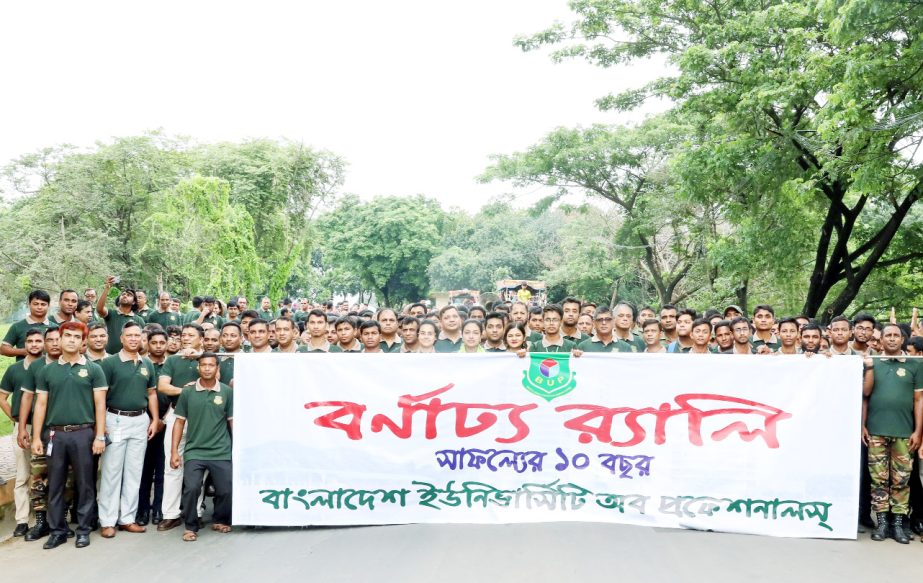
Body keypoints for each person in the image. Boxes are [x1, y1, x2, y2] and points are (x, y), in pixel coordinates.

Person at [31, 321, 108, 549]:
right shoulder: (47, 370)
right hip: (56, 435)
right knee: (55, 484)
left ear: (83, 341)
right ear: (60, 339)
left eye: (76, 337)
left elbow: (100, 404)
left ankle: (83, 529)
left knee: (85, 484)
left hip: (83, 433)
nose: (71, 340)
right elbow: (41, 405)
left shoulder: (94, 369)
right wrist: (36, 437)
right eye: (67, 336)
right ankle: (58, 530)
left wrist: (100, 436)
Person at [97, 321, 159, 538]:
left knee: (134, 472)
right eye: (129, 335)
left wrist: (155, 419)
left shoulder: (147, 364)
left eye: (137, 335)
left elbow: (151, 393)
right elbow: (101, 396)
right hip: (116, 419)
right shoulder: (110, 363)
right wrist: (102, 423)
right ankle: (107, 520)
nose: (133, 339)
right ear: (121, 339)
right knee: (112, 471)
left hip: (140, 420)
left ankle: (127, 518)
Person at [864, 324, 923, 543]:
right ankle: (882, 524)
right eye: (887, 335)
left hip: (904, 433)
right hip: (876, 431)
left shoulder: (915, 364)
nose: (891, 339)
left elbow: (919, 400)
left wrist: (918, 431)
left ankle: (898, 524)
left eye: (895, 336)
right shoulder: (873, 363)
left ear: (903, 340)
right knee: (878, 480)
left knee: (901, 480)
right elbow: (865, 396)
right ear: (881, 340)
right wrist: (863, 424)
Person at [170, 352, 233, 542]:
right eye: (203, 365)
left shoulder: (226, 392)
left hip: (221, 450)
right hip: (195, 450)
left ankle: (220, 519)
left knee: (226, 490)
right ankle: (190, 526)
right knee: (191, 488)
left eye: (211, 365)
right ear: (199, 367)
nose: (207, 368)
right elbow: (179, 422)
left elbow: (232, 422)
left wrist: (238, 448)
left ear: (217, 368)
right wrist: (174, 452)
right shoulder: (188, 392)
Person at [156, 323, 205, 532]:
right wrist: (183, 391)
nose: (185, 338)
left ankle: (196, 512)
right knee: (172, 464)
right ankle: (170, 514)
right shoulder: (172, 360)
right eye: (183, 335)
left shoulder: (207, 359)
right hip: (177, 415)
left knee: (199, 467)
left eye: (191, 335)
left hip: (202, 418)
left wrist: (199, 358)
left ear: (201, 339)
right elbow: (163, 386)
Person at [0, 329, 44, 537]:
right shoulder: (15, 370)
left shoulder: (48, 367)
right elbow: (2, 397)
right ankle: (22, 519)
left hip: (46, 427)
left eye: (38, 340)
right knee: (22, 474)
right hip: (23, 427)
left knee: (45, 474)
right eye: (30, 341)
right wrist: (16, 419)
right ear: (25, 344)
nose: (34, 344)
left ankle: (46, 517)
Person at [137, 329, 169, 526]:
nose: (158, 346)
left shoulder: (172, 364)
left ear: (166, 344)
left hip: (167, 422)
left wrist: (162, 419)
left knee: (162, 469)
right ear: (147, 344)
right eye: (154, 342)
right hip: (142, 423)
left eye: (161, 342)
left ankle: (159, 508)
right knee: (143, 469)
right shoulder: (141, 363)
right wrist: (150, 420)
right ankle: (142, 510)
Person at [96, 277, 145, 354]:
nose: (125, 296)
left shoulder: (139, 320)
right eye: (123, 294)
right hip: (109, 356)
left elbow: (142, 342)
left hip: (130, 358)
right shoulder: (111, 314)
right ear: (119, 300)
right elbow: (99, 309)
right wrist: (107, 288)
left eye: (129, 295)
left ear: (134, 302)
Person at [1, 289, 52, 360]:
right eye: (36, 304)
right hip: (24, 369)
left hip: (48, 370)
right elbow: (3, 349)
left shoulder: (55, 327)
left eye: (43, 304)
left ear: (48, 306)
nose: (39, 307)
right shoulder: (17, 326)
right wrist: (23, 352)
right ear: (29, 304)